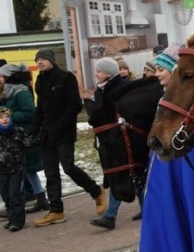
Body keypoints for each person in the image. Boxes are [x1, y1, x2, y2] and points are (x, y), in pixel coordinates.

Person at [137, 43, 194, 252]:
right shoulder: (166, 100)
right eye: (156, 68)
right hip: (165, 173)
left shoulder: (186, 103)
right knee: (166, 226)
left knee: (189, 218)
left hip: (184, 171)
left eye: (162, 68)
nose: (157, 73)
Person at [31, 49, 107, 227]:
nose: (39, 62)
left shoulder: (66, 78)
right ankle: (56, 211)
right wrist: (33, 131)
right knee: (50, 173)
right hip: (47, 134)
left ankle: (96, 192)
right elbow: (40, 108)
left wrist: (59, 126)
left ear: (51, 60)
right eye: (37, 59)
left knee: (68, 167)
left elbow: (74, 106)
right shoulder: (40, 80)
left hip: (63, 132)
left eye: (42, 59)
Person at [89, 57, 138, 230]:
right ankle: (114, 215)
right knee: (124, 175)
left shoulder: (121, 88)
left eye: (99, 71)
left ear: (109, 73)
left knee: (124, 174)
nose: (96, 74)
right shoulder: (100, 90)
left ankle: (110, 215)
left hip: (123, 138)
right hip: (109, 139)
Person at [0, 63, 48, 215]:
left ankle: (17, 205)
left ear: (9, 76)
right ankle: (39, 198)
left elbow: (30, 113)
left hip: (24, 136)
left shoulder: (21, 91)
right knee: (26, 169)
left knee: (22, 170)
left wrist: (9, 116)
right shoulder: (9, 92)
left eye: (2, 75)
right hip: (14, 137)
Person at [0, 107, 38, 232]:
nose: (4, 119)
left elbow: (27, 142)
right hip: (2, 171)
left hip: (17, 169)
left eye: (6, 117)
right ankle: (12, 218)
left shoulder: (18, 131)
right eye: (1, 118)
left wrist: (33, 140)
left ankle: (18, 221)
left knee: (15, 194)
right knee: (6, 196)